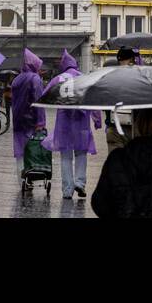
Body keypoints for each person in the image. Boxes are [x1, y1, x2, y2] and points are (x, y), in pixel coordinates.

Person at [41, 49, 102, 200]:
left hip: (64, 123)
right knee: (81, 153)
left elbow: (44, 95)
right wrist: (97, 119)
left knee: (66, 157)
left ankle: (67, 190)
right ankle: (80, 183)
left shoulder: (58, 79)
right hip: (81, 123)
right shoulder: (84, 78)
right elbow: (94, 100)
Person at [10, 48, 44, 180]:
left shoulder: (17, 79)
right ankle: (30, 176)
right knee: (32, 149)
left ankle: (21, 179)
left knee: (19, 151)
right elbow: (38, 101)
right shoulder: (35, 79)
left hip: (18, 119)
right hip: (31, 120)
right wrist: (40, 122)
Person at [105, 47, 138, 150]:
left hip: (114, 127)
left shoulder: (110, 78)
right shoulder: (140, 77)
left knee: (116, 162)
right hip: (135, 128)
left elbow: (103, 102)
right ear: (132, 59)